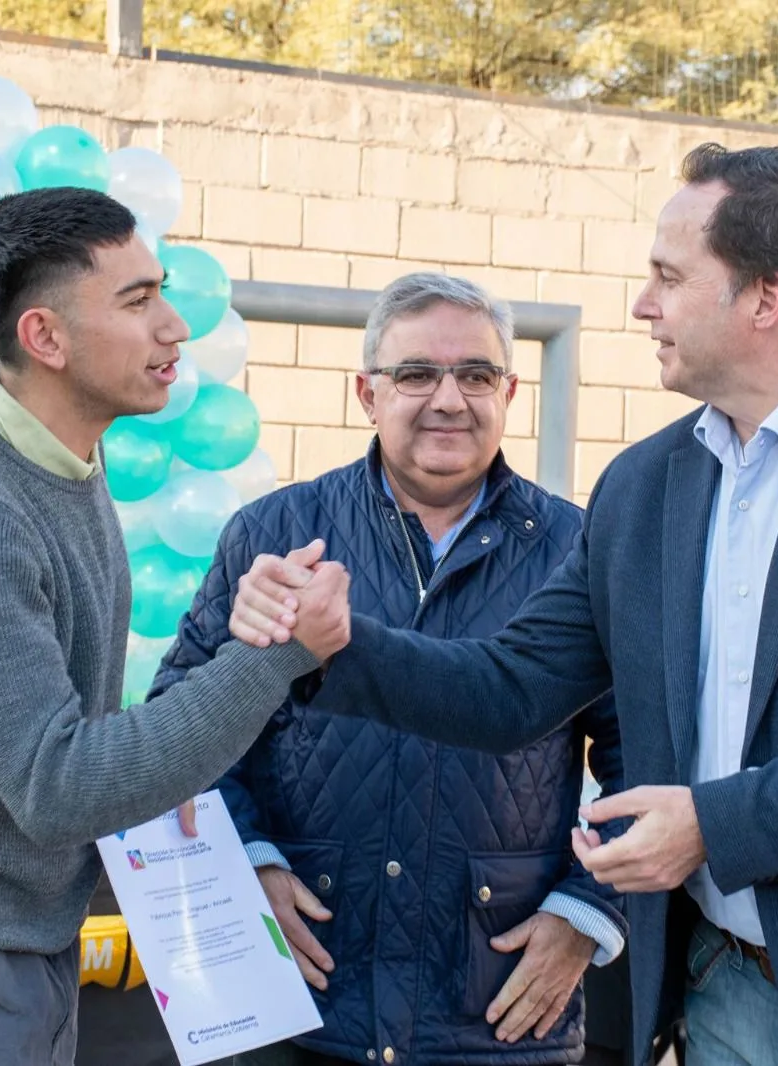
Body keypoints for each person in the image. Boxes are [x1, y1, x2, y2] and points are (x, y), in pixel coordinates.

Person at [229, 145, 778, 1066]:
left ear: (768, 296)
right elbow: (511, 686)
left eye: (669, 278)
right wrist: (334, 643)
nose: (643, 304)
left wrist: (714, 828)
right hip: (723, 989)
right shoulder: (644, 486)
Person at [0, 187, 350, 1066]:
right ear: (44, 338)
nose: (175, 327)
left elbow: (56, 735)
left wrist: (168, 777)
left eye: (161, 291)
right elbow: (55, 787)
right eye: (137, 301)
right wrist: (271, 658)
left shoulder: (60, 456)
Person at [147, 272, 629, 1066]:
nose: (449, 399)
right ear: (367, 393)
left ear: (509, 392)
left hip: (497, 1012)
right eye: (416, 375)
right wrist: (245, 862)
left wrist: (588, 912)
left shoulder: (579, 551)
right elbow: (182, 726)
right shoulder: (276, 534)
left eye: (476, 375)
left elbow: (645, 758)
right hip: (302, 1001)